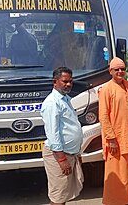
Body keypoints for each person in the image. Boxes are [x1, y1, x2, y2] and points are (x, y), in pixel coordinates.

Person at [99, 57, 128, 205]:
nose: (121, 72)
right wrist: (111, 139)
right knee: (117, 173)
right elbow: (103, 116)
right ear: (111, 71)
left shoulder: (127, 85)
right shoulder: (106, 89)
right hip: (115, 139)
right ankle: (115, 201)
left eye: (122, 69)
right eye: (117, 69)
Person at [41, 67, 83, 205]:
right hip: (59, 155)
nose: (69, 84)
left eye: (70, 81)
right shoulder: (52, 102)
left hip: (70, 154)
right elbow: (53, 134)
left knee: (63, 194)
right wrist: (62, 159)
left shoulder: (65, 99)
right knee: (58, 197)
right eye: (65, 81)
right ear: (55, 82)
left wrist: (77, 153)